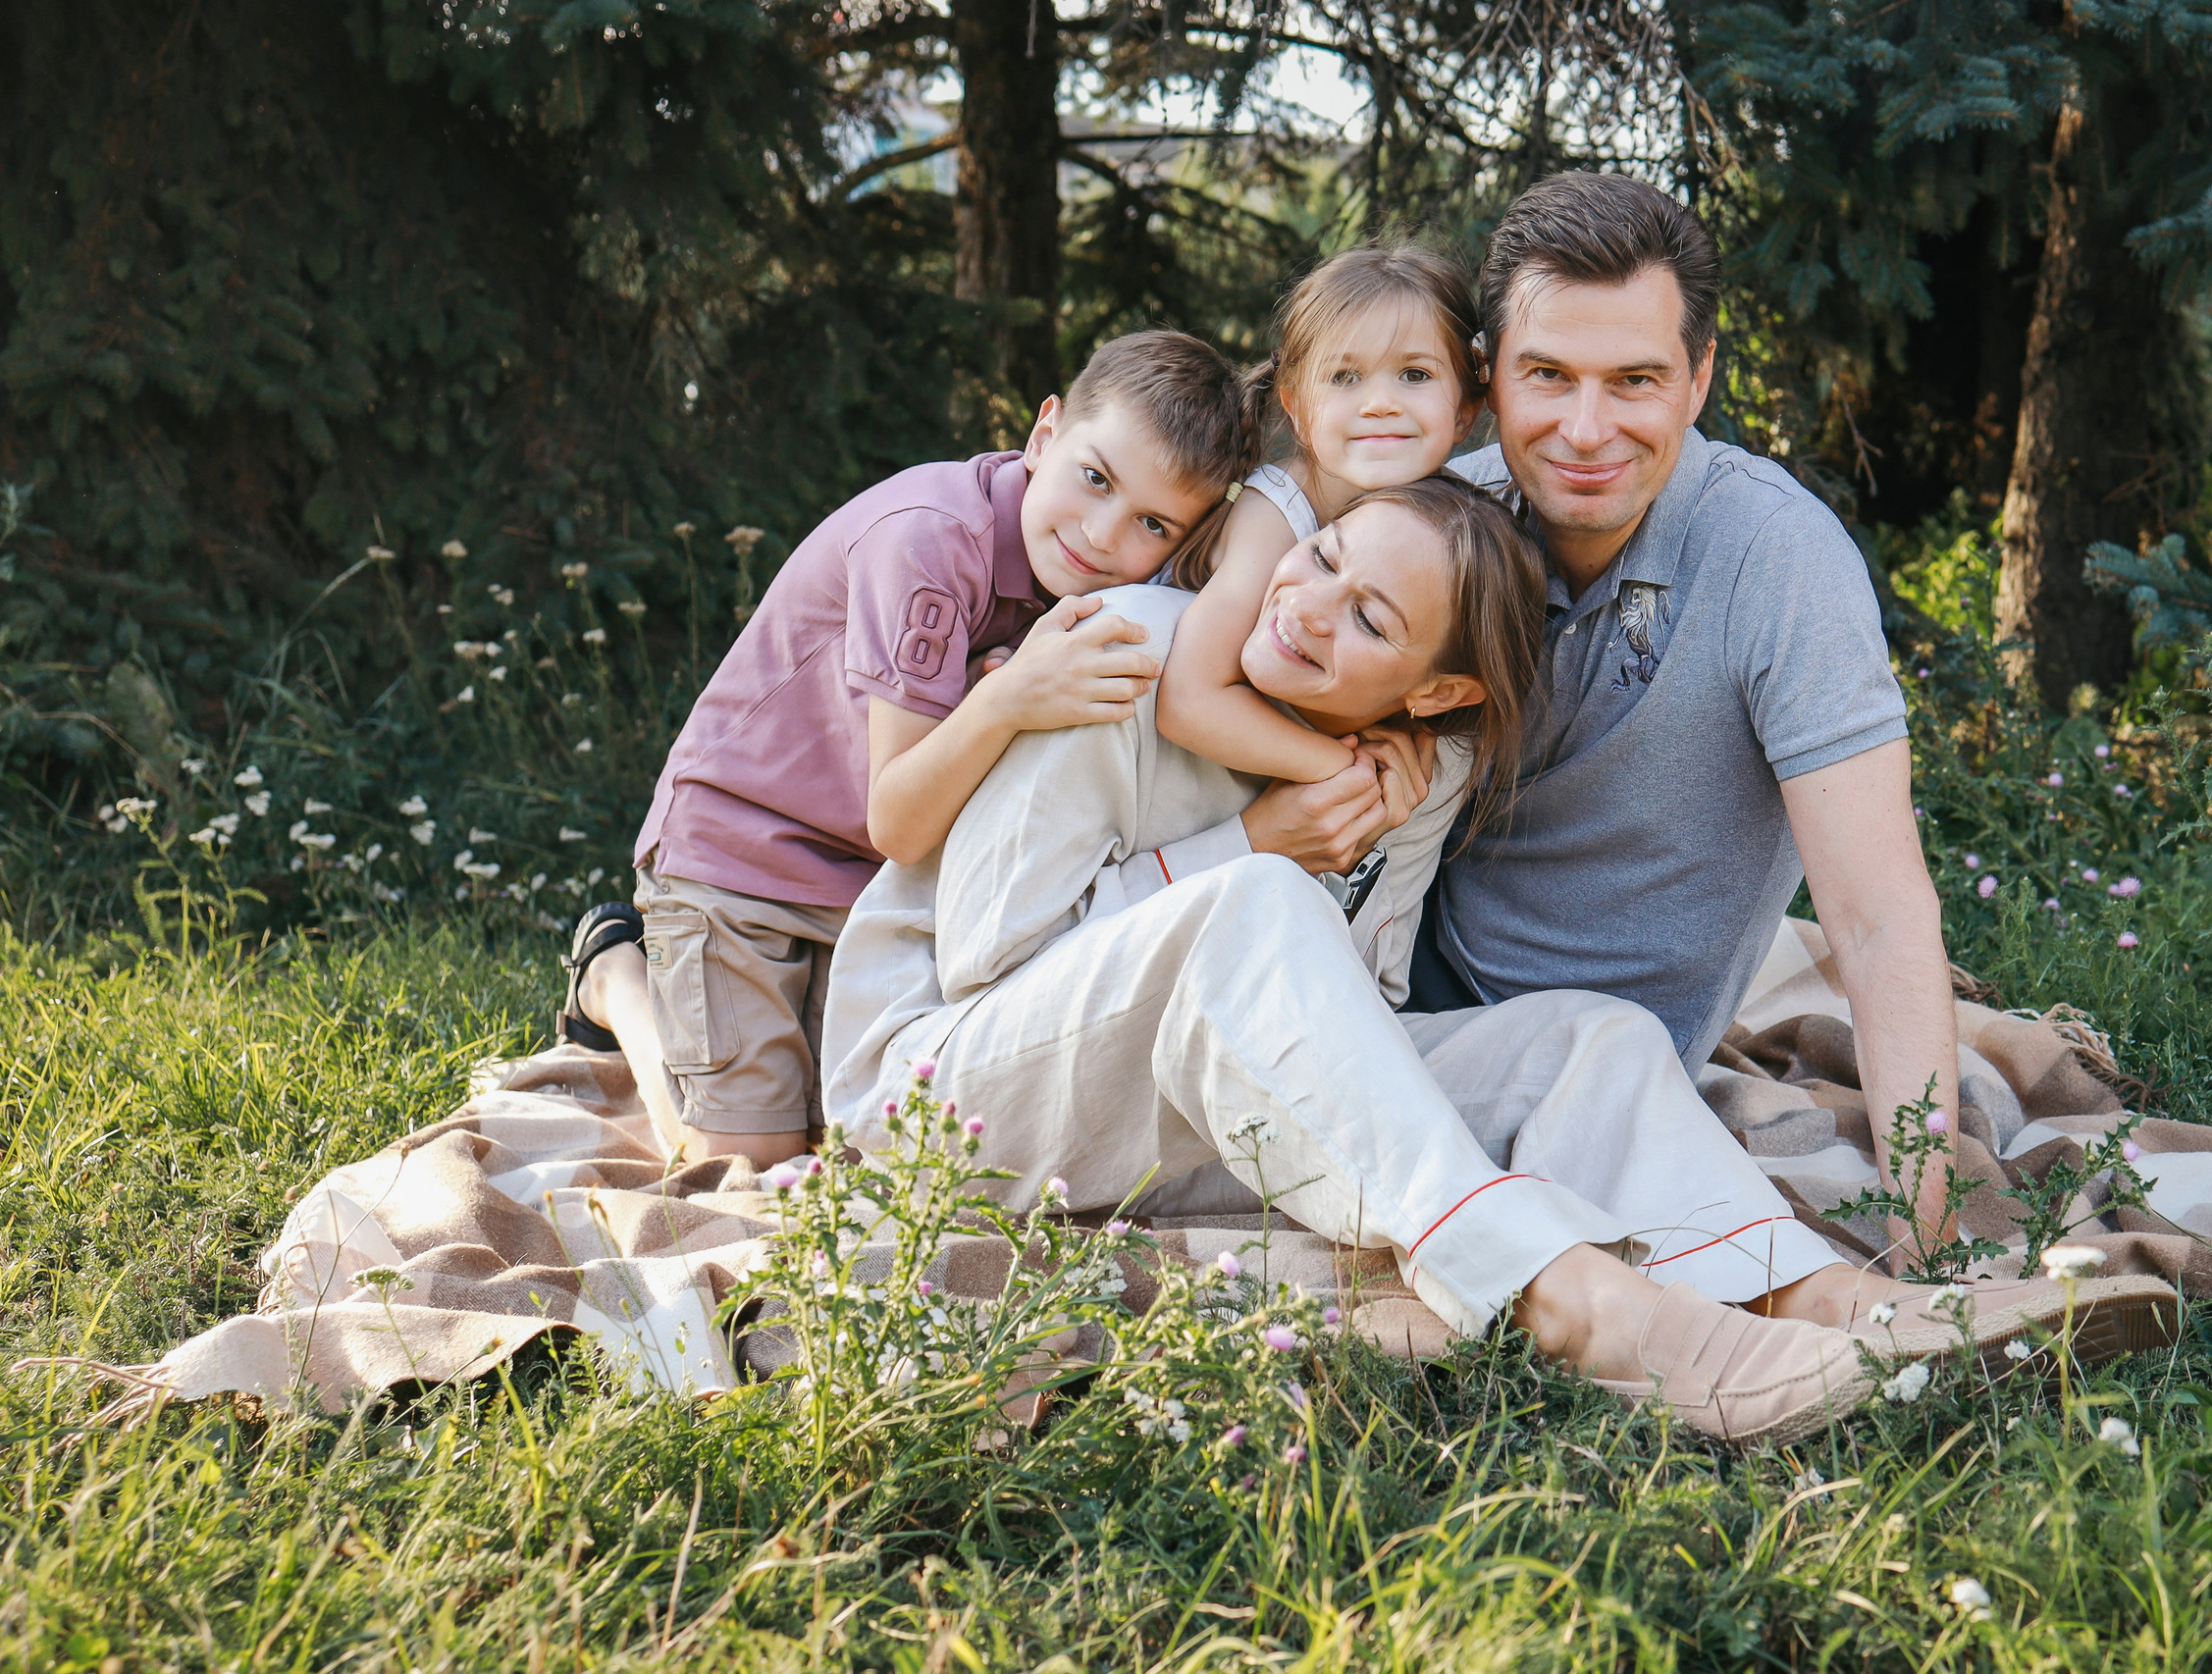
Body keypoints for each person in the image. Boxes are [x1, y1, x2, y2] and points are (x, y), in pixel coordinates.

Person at [819, 474, 2180, 1445]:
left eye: (1368, 621)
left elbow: (1357, 1004)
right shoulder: (1125, 657)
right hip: (947, 1088)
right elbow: (988, 956)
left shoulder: (1412, 769)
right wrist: (1249, 846)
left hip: (1161, 1108)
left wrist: (1307, 866)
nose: (1305, 607)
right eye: (1326, 556)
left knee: (1588, 1032)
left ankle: (1829, 1296)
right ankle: (1569, 1293)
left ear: (1436, 693)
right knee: (1256, 912)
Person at [1421, 172, 2012, 1293]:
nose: (1584, 429)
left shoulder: (1775, 559)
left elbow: (1879, 918)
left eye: (1634, 379)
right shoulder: (1435, 513)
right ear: (1488, 371)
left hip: (1610, 1076)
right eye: (1546, 375)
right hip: (1384, 1004)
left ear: (1697, 379)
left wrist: (1927, 1235)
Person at [556, 331, 1266, 1169]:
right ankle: (614, 975)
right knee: (744, 1166)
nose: (1105, 534)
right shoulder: (930, 544)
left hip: (875, 892)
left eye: (1152, 522)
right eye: (1095, 477)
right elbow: (896, 815)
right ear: (1045, 434)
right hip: (740, 858)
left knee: (872, 1145)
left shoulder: (1101, 577)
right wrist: (1006, 698)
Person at [1155, 244, 1486, 791]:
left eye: (1414, 374)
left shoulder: (1439, 529)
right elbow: (1188, 701)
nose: (1380, 402)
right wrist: (1342, 769)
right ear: (1297, 408)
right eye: (1345, 377)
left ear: (1465, 412)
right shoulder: (1275, 518)